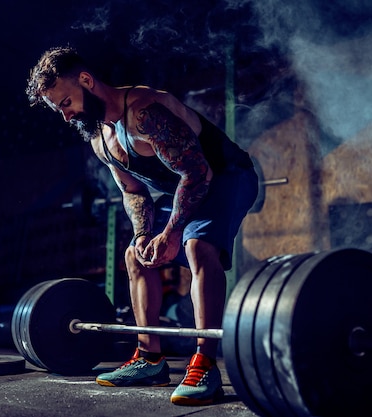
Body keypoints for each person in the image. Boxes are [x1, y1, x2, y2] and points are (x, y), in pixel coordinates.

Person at [26, 46, 257, 406]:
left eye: (67, 103)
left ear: (87, 81)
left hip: (228, 176)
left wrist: (174, 232)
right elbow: (134, 192)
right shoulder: (100, 139)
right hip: (185, 186)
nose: (66, 115)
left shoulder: (145, 112)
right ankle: (149, 358)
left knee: (198, 247)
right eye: (60, 110)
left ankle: (205, 362)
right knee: (135, 254)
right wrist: (145, 234)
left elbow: (198, 173)